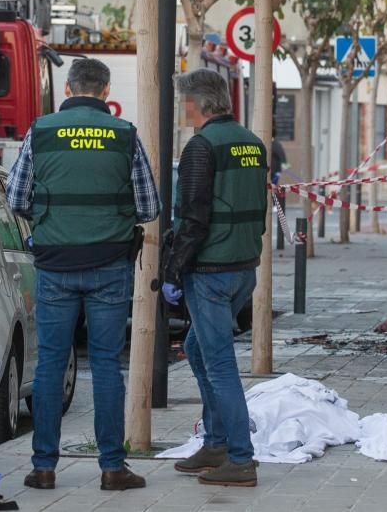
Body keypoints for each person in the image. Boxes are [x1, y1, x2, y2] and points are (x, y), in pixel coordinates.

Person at [7, 58, 158, 491]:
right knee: (108, 365)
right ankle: (112, 467)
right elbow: (148, 207)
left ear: (69, 90)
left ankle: (44, 468)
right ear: (105, 91)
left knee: (52, 364)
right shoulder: (125, 134)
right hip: (110, 264)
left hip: (55, 265)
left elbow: (17, 197)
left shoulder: (41, 131)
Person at [161, 68, 267, 487]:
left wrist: (173, 269)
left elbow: (193, 216)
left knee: (219, 364)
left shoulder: (201, 147)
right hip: (244, 267)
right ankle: (217, 442)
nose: (182, 110)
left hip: (210, 271)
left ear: (197, 104)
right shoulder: (252, 144)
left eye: (183, 102)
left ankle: (240, 458)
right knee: (197, 348)